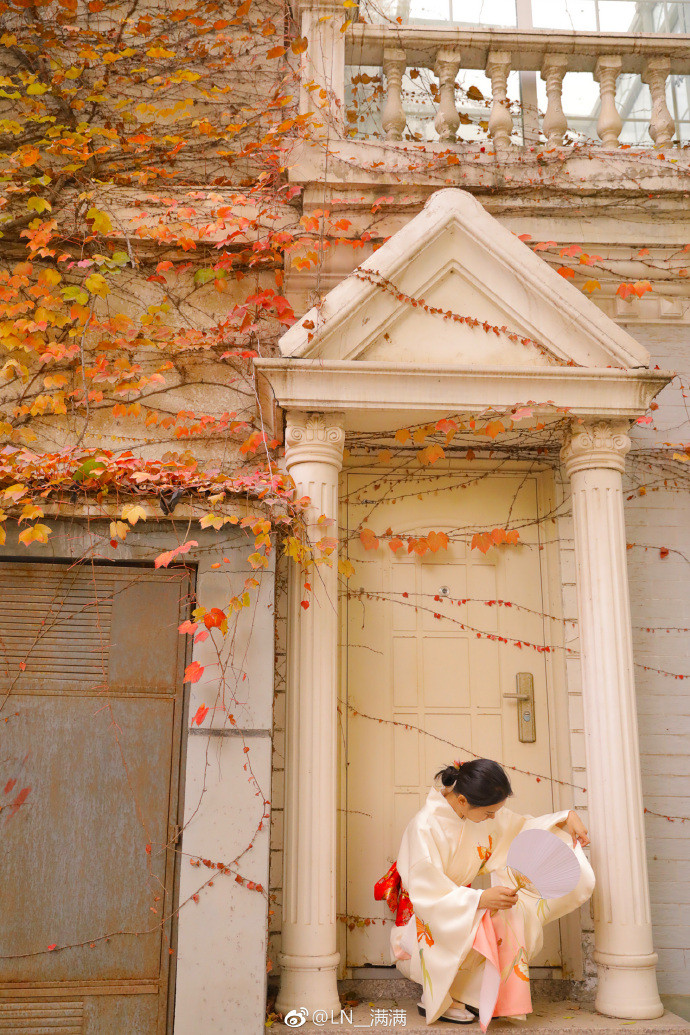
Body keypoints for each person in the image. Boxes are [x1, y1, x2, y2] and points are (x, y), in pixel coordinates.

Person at [374, 758, 595, 1028]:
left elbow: (519, 830)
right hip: (426, 923)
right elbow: (426, 894)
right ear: (464, 800)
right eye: (489, 813)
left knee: (514, 916)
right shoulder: (424, 827)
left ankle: (481, 996)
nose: (494, 818)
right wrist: (479, 899)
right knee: (491, 919)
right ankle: (442, 993)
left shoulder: (476, 814)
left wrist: (564, 818)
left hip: (459, 906)